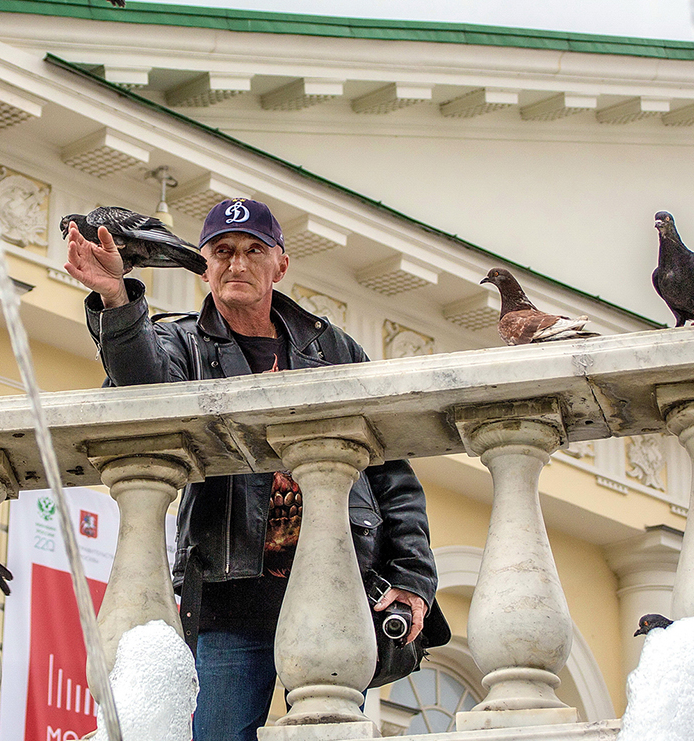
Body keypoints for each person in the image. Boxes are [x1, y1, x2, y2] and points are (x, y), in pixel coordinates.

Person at [65, 197, 441, 741]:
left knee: (326, 734)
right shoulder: (182, 342)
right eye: (222, 251)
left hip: (336, 584)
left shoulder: (333, 349)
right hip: (229, 592)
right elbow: (143, 386)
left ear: (279, 265)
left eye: (252, 251)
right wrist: (115, 298)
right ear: (205, 265)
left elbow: (392, 476)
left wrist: (411, 576)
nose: (236, 263)